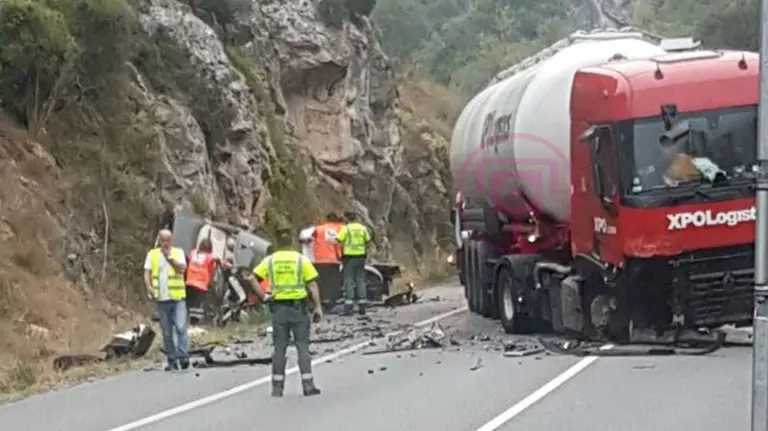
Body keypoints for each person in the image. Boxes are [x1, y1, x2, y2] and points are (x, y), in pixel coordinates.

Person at [248, 228, 323, 397]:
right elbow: (312, 285)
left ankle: (277, 388)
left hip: (278, 309)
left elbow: (252, 278)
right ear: (292, 242)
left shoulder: (270, 261)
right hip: (298, 309)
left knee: (279, 349)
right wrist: (317, 307)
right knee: (302, 347)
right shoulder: (300, 260)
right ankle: (308, 385)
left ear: (277, 243)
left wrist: (263, 296)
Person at [144, 229, 189, 371]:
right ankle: (172, 358)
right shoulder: (153, 255)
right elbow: (147, 272)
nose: (165, 243)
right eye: (162, 240)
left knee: (181, 327)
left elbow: (182, 269)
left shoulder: (178, 253)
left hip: (177, 298)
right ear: (159, 240)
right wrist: (149, 287)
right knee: (167, 332)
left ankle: (183, 356)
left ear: (171, 240)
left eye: (167, 240)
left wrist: (169, 258)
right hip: (162, 299)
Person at [335, 212, 372, 316]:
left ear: (347, 219)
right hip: (361, 257)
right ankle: (362, 306)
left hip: (349, 257)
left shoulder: (346, 228)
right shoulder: (362, 228)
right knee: (360, 280)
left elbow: (338, 240)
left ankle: (349, 306)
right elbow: (368, 241)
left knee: (348, 280)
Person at [185, 238, 217, 325]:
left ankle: (185, 320)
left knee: (189, 303)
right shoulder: (210, 258)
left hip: (189, 281)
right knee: (197, 305)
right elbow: (211, 271)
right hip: (201, 284)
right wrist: (210, 282)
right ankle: (193, 323)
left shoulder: (193, 253)